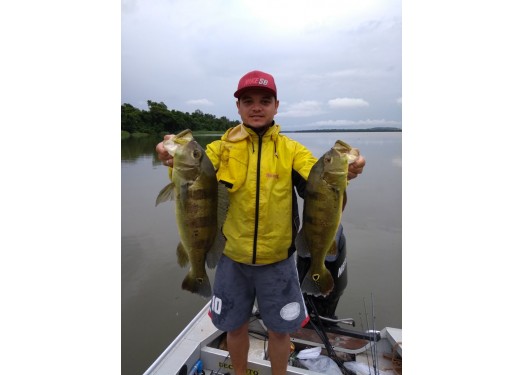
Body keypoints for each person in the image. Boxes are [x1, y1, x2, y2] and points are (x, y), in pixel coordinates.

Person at [156, 70, 365, 375]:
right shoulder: (217, 150)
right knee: (235, 329)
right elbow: (192, 177)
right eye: (248, 100)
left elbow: (317, 180)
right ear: (238, 107)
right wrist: (169, 155)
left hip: (279, 263)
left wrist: (348, 170)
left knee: (281, 332)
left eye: (265, 100)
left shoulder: (292, 151)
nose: (257, 107)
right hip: (231, 261)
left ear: (276, 106)